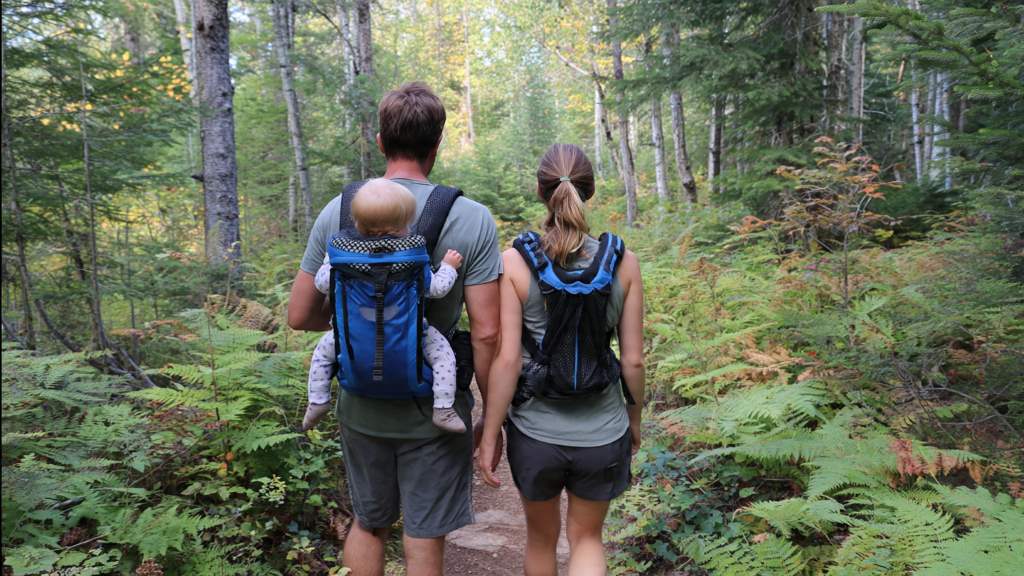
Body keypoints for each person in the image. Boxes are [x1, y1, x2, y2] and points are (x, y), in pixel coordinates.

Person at [287, 82, 502, 576]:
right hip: (431, 409)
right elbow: (487, 333)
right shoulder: (471, 218)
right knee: (422, 534)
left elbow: (300, 315)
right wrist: (490, 423)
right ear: (438, 143)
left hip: (360, 400)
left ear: (380, 141)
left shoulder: (339, 212)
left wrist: (359, 321)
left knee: (369, 523)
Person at [477, 143, 645, 576]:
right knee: (588, 539)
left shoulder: (514, 262)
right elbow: (633, 363)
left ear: (540, 191)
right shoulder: (623, 263)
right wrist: (634, 420)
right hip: (603, 430)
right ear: (588, 190)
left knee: (540, 539)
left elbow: (507, 360)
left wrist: (491, 432)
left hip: (536, 432)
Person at [301, 179, 467, 435]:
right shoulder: (411, 257)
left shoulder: (342, 256)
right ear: (404, 225)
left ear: (356, 223)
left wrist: (327, 262)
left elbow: (323, 284)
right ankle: (443, 407)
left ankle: (318, 400)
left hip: (353, 335)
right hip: (411, 333)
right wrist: (448, 266)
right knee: (444, 355)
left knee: (323, 352)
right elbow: (436, 289)